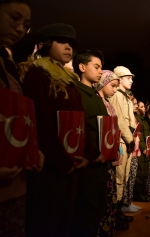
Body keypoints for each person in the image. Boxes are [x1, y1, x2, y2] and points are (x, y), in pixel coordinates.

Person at [23, 23, 91, 237]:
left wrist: (85, 153)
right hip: (51, 163)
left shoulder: (70, 80)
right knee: (46, 220)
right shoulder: (37, 73)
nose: (68, 47)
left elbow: (80, 119)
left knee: (66, 217)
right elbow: (39, 120)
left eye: (71, 43)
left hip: (73, 159)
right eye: (62, 41)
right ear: (44, 44)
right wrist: (61, 160)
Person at [0, 1, 44, 236]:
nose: (19, 28)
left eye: (25, 25)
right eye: (13, 18)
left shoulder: (9, 66)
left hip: (14, 184)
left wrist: (31, 148)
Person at [72, 49, 122, 236]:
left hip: (102, 163)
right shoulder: (76, 92)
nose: (100, 71)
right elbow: (80, 130)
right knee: (85, 213)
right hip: (88, 164)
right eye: (97, 66)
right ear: (82, 67)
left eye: (101, 67)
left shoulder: (96, 96)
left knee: (98, 208)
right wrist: (91, 154)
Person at [95, 70, 124, 235]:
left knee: (110, 195)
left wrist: (117, 151)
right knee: (103, 198)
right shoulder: (97, 102)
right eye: (112, 85)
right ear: (103, 82)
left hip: (111, 156)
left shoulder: (109, 104)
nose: (114, 90)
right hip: (101, 158)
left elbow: (114, 131)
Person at [109, 66, 137, 228]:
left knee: (123, 177)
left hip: (126, 139)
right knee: (119, 178)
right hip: (121, 140)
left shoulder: (124, 97)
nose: (131, 80)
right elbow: (119, 120)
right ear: (119, 79)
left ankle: (118, 211)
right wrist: (130, 139)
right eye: (128, 77)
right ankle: (115, 214)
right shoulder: (118, 96)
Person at [133, 100, 150, 201]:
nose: (144, 108)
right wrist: (144, 148)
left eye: (144, 107)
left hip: (146, 151)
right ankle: (138, 195)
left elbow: (148, 136)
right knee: (139, 173)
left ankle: (143, 193)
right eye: (141, 107)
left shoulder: (144, 120)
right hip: (140, 150)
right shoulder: (137, 120)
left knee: (145, 173)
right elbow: (138, 136)